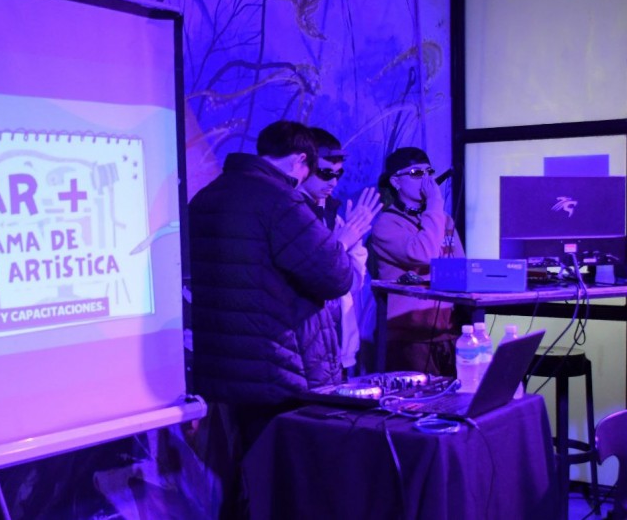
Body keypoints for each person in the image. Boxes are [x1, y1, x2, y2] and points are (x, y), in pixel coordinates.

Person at [189, 120, 380, 519]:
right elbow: (336, 277)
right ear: (300, 160)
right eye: (315, 169)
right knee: (286, 482)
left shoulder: (207, 197)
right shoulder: (282, 201)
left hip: (224, 365)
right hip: (279, 367)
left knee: (239, 475)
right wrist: (344, 242)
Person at [368, 147, 465, 376]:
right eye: (416, 173)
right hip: (409, 338)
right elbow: (424, 254)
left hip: (447, 333)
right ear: (396, 181)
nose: (426, 180)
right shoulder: (387, 224)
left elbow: (460, 266)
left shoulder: (442, 220)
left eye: (429, 172)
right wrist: (435, 204)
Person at [299, 128, 369, 377]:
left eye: (338, 174)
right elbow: (311, 277)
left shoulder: (334, 217)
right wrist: (341, 244)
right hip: (305, 346)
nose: (333, 182)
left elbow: (353, 284)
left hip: (338, 343)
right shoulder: (291, 215)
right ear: (303, 166)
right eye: (325, 173)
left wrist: (354, 241)